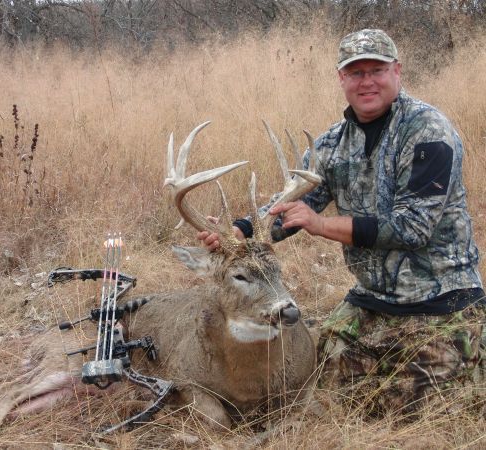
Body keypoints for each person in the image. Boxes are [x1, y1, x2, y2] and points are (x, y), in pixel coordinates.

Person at [198, 29, 485, 415]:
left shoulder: (429, 133)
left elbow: (413, 228)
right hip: (372, 300)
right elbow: (290, 208)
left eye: (377, 70)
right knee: (318, 377)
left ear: (397, 71)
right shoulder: (331, 144)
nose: (367, 81)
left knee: (409, 408)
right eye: (356, 72)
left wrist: (320, 225)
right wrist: (238, 233)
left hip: (440, 300)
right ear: (342, 79)